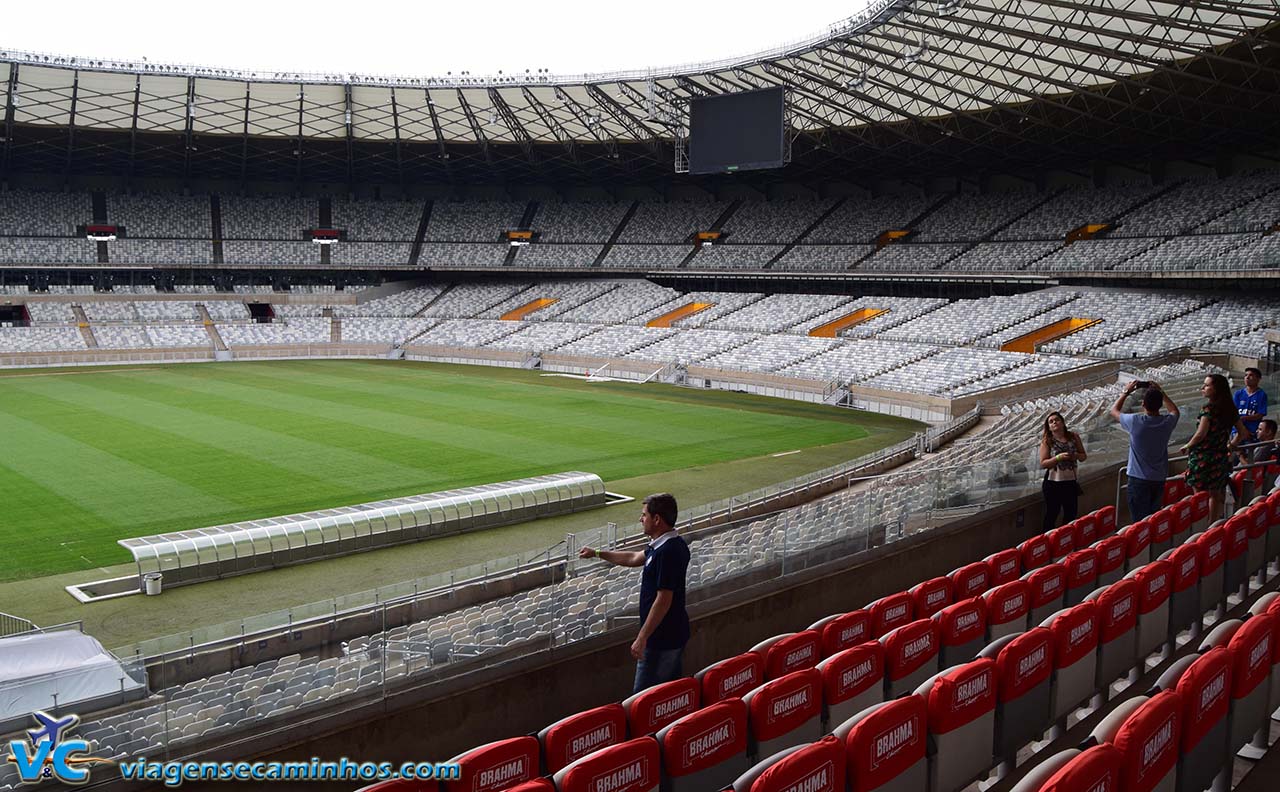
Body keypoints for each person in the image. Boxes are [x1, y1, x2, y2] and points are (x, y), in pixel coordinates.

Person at [578, 493, 689, 693]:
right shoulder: (664, 545)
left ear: (657, 519)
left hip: (660, 642)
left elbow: (664, 599)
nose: (640, 519)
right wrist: (597, 553)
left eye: (644, 515)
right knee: (668, 694)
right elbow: (632, 558)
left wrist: (642, 637)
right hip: (668, 637)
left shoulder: (668, 551)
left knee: (642, 701)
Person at [1181, 374, 1253, 522]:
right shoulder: (1230, 409)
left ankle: (1199, 525)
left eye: (1207, 385)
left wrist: (1188, 445)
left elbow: (1201, 434)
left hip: (1203, 458)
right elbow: (1243, 432)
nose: (1203, 388)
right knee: (1215, 494)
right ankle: (1212, 525)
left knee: (1199, 495)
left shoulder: (1208, 409)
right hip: (1220, 457)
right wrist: (1231, 446)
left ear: (1216, 389)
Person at [1110, 379, 1180, 523]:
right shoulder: (1167, 422)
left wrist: (1126, 392)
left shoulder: (1135, 421)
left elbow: (1114, 411)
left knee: (1139, 521)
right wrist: (1161, 392)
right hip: (1158, 477)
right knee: (1153, 518)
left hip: (1138, 478)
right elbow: (1174, 411)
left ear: (1142, 404)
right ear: (1160, 405)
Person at [1039, 411, 1087, 532]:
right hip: (1053, 482)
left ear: (1063, 422)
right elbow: (1043, 463)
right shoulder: (1047, 441)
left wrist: (1074, 456)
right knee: (1052, 513)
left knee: (1071, 513)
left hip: (1070, 481)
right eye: (1051, 421)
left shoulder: (1074, 437)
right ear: (1049, 427)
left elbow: (1083, 456)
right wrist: (1058, 458)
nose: (1054, 422)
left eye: (1057, 420)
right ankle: (1048, 541)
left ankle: (1065, 539)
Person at [1233, 367, 1267, 439]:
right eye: (1246, 375)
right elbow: (1233, 412)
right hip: (1237, 431)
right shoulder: (1238, 394)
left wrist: (1245, 418)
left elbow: (1260, 414)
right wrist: (1242, 428)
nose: (1247, 377)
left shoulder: (1261, 395)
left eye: (1251, 375)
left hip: (1252, 432)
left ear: (1258, 379)